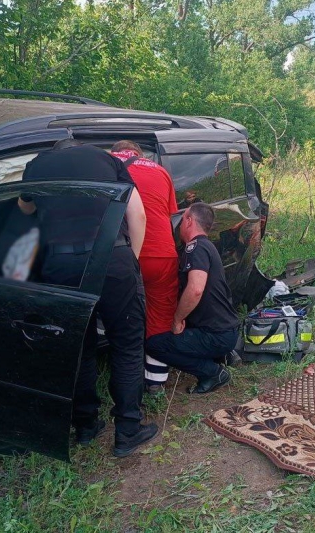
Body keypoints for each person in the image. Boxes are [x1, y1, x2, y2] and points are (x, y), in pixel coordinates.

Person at [21, 139, 158, 458]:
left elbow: (24, 209)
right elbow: (136, 214)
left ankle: (86, 425)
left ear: (55, 150)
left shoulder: (37, 166)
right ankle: (127, 431)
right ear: (78, 146)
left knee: (79, 346)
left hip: (61, 265)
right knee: (126, 343)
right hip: (112, 257)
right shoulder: (107, 160)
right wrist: (131, 262)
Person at [145, 202, 239, 394]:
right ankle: (222, 356)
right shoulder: (208, 246)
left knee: (154, 345)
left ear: (189, 221)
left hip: (216, 334)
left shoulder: (195, 248)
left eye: (182, 220)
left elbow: (195, 289)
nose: (179, 226)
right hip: (224, 330)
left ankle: (213, 373)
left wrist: (177, 320)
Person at [110, 141, 179, 395]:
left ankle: (122, 375)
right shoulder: (159, 170)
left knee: (121, 313)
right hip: (161, 254)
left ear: (115, 151)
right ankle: (156, 383)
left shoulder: (109, 166)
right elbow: (170, 213)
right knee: (160, 314)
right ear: (138, 153)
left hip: (125, 254)